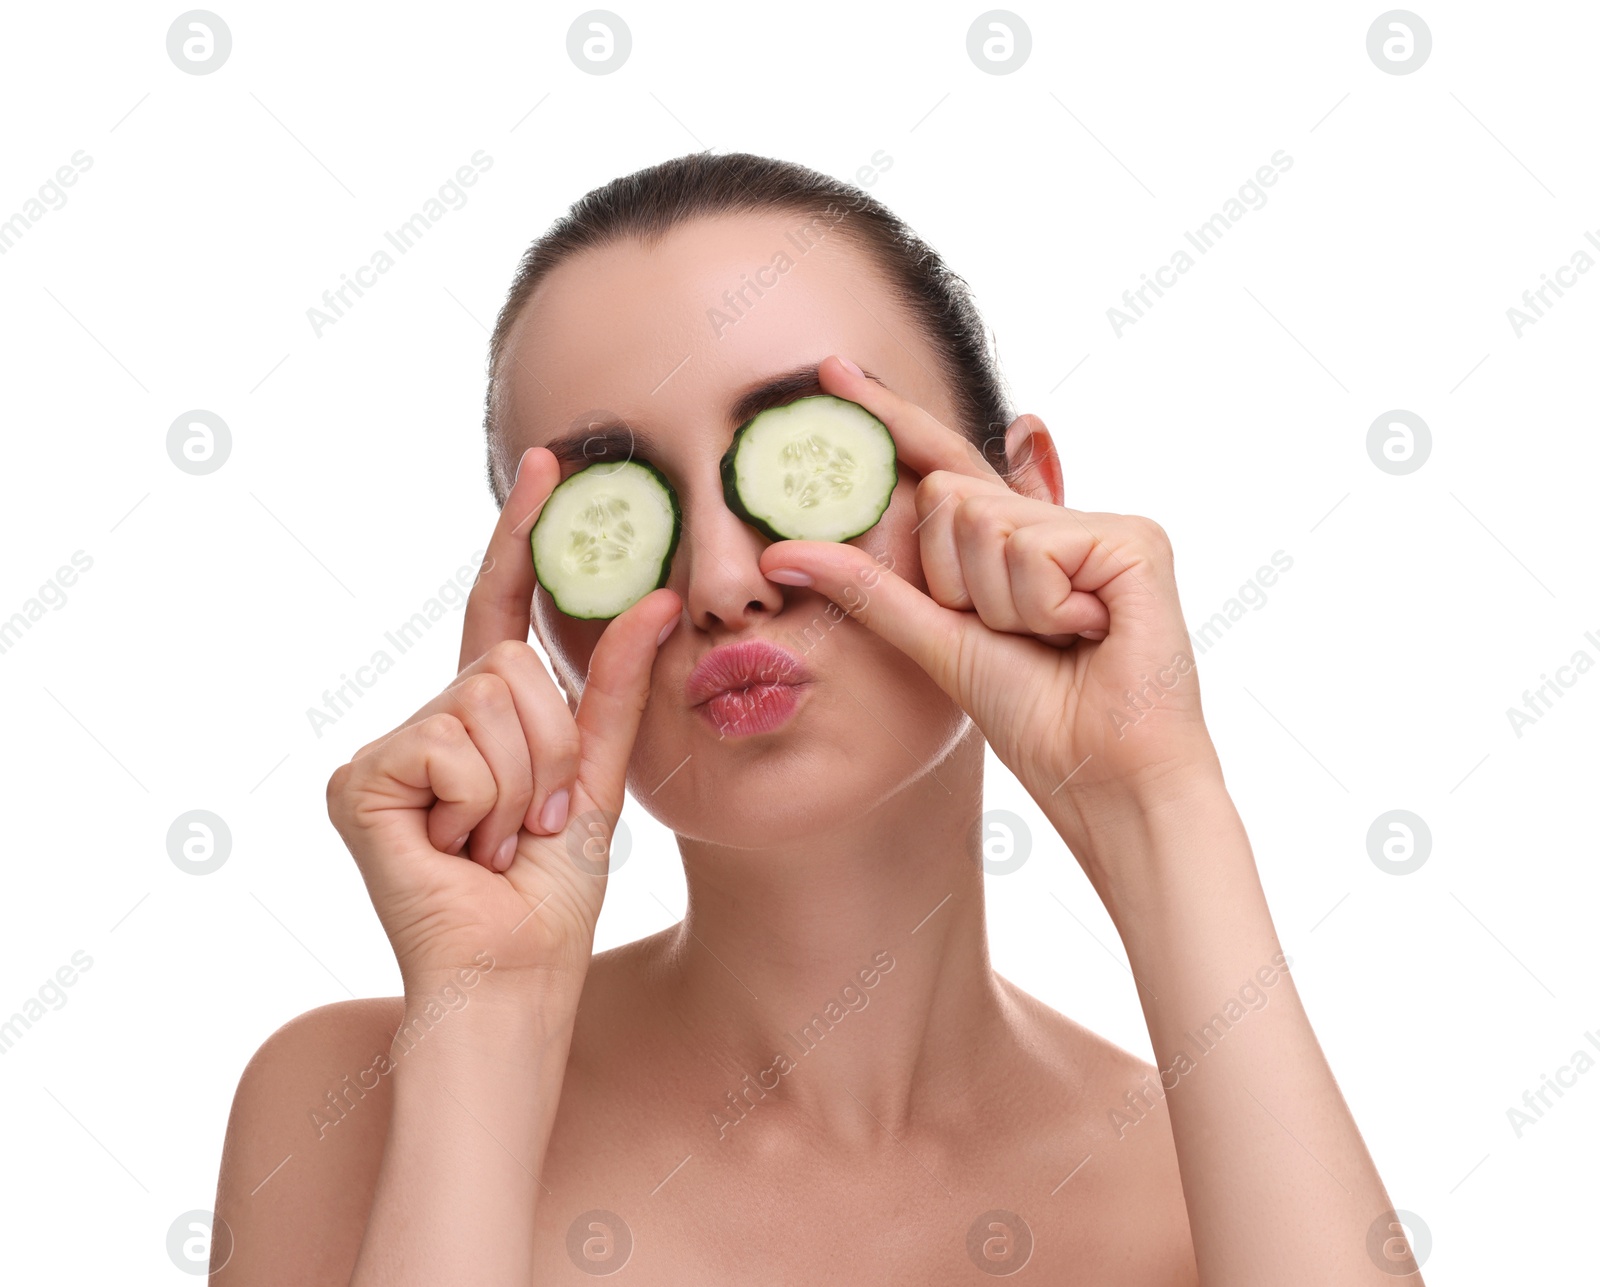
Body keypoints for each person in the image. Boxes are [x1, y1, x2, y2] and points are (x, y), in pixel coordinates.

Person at [211, 151, 1418, 1283]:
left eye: (804, 463)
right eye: (617, 505)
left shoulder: (1212, 1191)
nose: (727, 579)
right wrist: (486, 1023)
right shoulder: (354, 1104)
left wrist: (1157, 800)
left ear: (1020, 499)